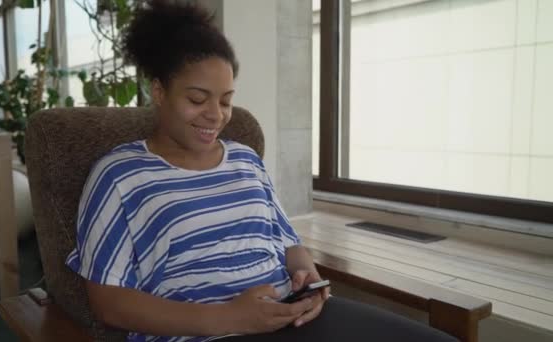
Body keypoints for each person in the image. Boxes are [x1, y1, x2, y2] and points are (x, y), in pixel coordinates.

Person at [65, 1, 458, 342]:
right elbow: (110, 304)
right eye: (197, 98)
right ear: (158, 91)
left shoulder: (245, 159)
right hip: (201, 334)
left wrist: (310, 283)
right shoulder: (119, 174)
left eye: (226, 100)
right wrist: (228, 318)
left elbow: (288, 243)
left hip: (293, 320)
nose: (215, 115)